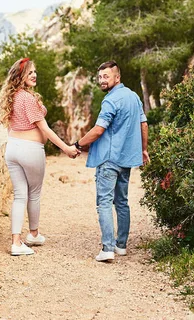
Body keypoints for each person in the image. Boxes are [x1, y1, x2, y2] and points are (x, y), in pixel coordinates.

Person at [0, 57, 80, 256]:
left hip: (12, 149)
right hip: (30, 150)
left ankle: (16, 242)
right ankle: (33, 234)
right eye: (30, 72)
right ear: (21, 76)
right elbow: (46, 129)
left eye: (35, 72)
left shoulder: (11, 97)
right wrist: (66, 148)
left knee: (19, 195)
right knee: (33, 194)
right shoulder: (28, 98)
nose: (34, 75)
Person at [74, 61, 149, 262]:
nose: (102, 80)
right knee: (122, 202)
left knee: (105, 202)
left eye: (106, 76)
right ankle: (121, 245)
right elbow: (143, 124)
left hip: (108, 159)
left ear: (117, 77)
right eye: (100, 77)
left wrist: (78, 145)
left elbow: (98, 130)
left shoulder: (110, 101)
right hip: (126, 160)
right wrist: (143, 149)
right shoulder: (133, 97)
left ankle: (107, 248)